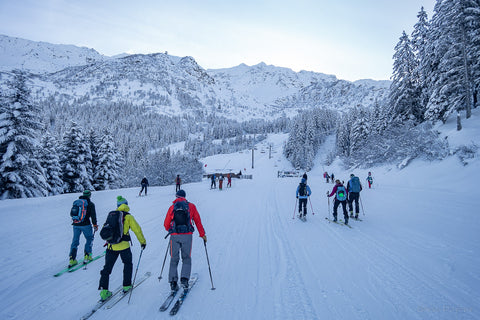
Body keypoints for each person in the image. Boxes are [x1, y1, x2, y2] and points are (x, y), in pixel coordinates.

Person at [98, 196, 147, 301]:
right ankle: (126, 285)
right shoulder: (128, 217)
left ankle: (104, 291)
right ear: (126, 205)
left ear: (117, 206)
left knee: (107, 268)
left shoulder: (111, 215)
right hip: (124, 246)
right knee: (127, 264)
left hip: (111, 246)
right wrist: (143, 242)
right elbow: (137, 230)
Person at [164, 190, 206, 291]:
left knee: (174, 259)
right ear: (185, 197)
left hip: (174, 236)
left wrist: (171, 230)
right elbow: (197, 221)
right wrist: (202, 234)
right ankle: (184, 279)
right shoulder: (191, 206)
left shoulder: (172, 207)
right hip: (187, 235)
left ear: (176, 197)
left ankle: (173, 282)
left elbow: (166, 224)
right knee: (186, 258)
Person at [69, 190, 98, 267]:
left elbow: (71, 213)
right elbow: (93, 216)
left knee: (75, 241)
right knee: (89, 238)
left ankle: (72, 259)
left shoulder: (77, 203)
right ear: (90, 195)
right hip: (86, 225)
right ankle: (87, 255)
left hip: (76, 224)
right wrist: (95, 225)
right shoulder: (90, 204)